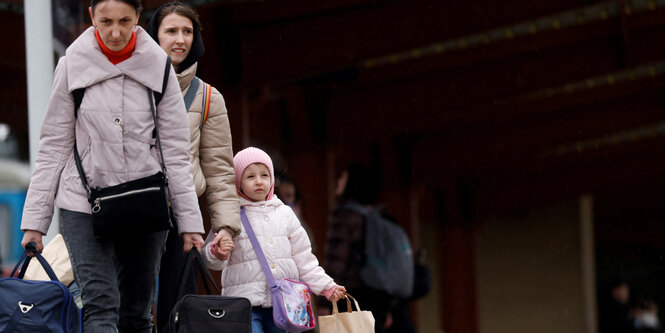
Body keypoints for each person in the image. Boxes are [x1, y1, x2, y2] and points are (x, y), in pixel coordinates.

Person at [19, 0, 205, 331]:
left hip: (145, 203)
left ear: (138, 17)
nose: (115, 32)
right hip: (83, 203)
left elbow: (175, 150)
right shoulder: (72, 65)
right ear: (91, 16)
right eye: (106, 21)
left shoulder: (158, 66)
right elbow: (54, 146)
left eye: (124, 21)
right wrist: (35, 221)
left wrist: (190, 221)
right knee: (100, 303)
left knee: (136, 310)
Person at [145, 3, 241, 331]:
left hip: (183, 216)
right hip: (135, 209)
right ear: (153, 36)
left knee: (178, 309)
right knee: (133, 304)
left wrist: (225, 225)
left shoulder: (208, 97)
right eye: (171, 31)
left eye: (187, 31)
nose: (180, 39)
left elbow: (219, 170)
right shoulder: (130, 85)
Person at [200, 147, 346, 333]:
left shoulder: (285, 214)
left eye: (264, 175)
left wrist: (326, 286)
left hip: (283, 303)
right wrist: (217, 252)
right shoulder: (230, 215)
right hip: (244, 304)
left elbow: (304, 259)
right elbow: (209, 259)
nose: (259, 181)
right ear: (237, 181)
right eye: (250, 176)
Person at [324, 163, 393, 333]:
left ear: (353, 183)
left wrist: (326, 300)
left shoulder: (345, 216)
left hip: (349, 295)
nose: (338, 182)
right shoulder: (378, 217)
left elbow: (337, 260)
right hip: (377, 297)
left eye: (343, 177)